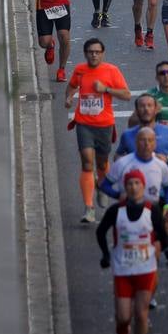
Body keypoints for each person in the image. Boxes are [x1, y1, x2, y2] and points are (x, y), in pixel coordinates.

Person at [96, 169, 168, 334]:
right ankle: (122, 325)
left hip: (146, 269)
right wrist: (105, 255)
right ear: (124, 187)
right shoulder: (115, 211)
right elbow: (100, 231)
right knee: (123, 317)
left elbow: (163, 235)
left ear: (143, 187)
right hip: (123, 269)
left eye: (137, 183)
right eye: (129, 184)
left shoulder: (151, 210)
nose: (133, 187)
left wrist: (160, 246)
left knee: (141, 313)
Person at [115, 92, 168, 265]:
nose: (146, 109)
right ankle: (161, 248)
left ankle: (167, 244)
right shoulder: (128, 135)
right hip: (135, 192)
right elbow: (118, 157)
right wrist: (125, 162)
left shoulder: (167, 133)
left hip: (159, 191)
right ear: (136, 110)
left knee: (162, 221)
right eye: (142, 106)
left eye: (150, 106)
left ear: (156, 109)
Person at [64, 38, 131, 223]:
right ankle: (89, 208)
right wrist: (69, 99)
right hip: (84, 123)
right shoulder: (80, 70)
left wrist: (106, 89)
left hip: (104, 124)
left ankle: (102, 186)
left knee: (102, 164)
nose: (94, 55)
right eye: (90, 52)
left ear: (102, 54)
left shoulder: (112, 71)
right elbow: (70, 87)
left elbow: (126, 95)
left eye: (97, 52)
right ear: (86, 54)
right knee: (87, 162)